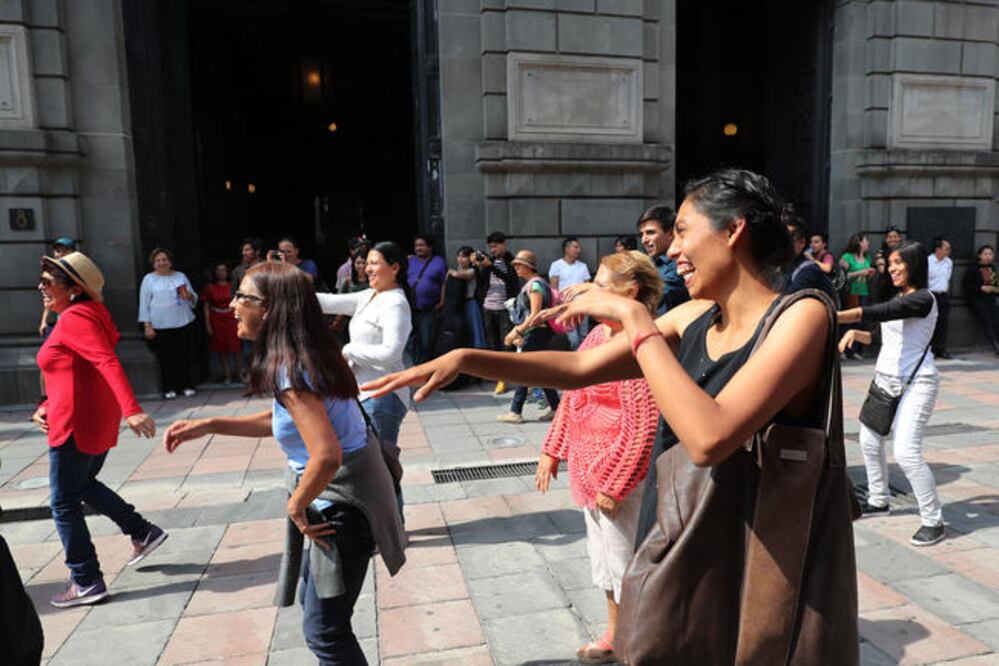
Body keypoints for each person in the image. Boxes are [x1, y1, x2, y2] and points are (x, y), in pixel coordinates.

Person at [366, 169, 858, 663]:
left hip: (761, 541)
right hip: (686, 525)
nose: (671, 251)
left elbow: (711, 437)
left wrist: (635, 316)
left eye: (683, 230)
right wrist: (469, 358)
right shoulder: (693, 317)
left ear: (733, 231)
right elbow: (580, 367)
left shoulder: (802, 315)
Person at [162, 261, 405, 664]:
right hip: (346, 503)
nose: (234, 305)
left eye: (244, 297)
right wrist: (211, 424)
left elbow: (326, 453)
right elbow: (292, 424)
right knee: (323, 624)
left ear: (271, 309)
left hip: (341, 511)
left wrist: (295, 505)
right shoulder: (307, 353)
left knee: (326, 633)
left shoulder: (290, 368)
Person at [535, 251, 661, 664]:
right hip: (590, 471)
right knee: (605, 566)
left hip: (619, 478)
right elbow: (572, 397)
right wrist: (552, 449)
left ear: (632, 292)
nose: (592, 295)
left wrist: (616, 483)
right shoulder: (596, 337)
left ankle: (642, 644)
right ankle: (614, 633)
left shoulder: (637, 343)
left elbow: (644, 424)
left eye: (602, 287)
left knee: (628, 568)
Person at [33, 251, 165, 608]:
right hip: (85, 418)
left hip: (75, 424)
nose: (40, 287)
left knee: (63, 503)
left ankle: (86, 579)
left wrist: (133, 409)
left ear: (73, 288)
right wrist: (45, 405)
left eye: (48, 282)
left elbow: (106, 362)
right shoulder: (88, 313)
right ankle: (141, 531)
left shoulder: (76, 317)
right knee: (84, 486)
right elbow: (78, 369)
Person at [838, 241, 944, 546]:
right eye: (891, 263)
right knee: (870, 442)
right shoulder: (901, 296)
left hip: (917, 383)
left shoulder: (924, 299)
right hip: (885, 380)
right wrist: (859, 334)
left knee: (907, 453)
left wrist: (833, 315)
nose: (892, 268)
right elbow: (890, 334)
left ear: (914, 265)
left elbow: (883, 312)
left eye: (899, 263)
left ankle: (933, 520)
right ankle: (879, 498)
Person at [316, 241, 413, 515]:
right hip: (362, 393)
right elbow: (325, 301)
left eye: (374, 262)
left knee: (381, 467)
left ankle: (394, 528)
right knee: (374, 467)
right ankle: (385, 527)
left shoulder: (396, 303)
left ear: (394, 268)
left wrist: (349, 350)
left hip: (384, 395)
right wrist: (287, 284)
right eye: (366, 262)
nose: (367, 268)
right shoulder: (369, 295)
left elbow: (390, 353)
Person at [497, 250, 560, 424]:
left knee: (523, 370)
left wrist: (517, 331)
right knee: (540, 372)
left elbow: (535, 315)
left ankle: (515, 411)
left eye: (518, 264)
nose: (516, 267)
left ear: (527, 266)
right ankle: (556, 407)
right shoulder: (535, 283)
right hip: (538, 332)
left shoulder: (535, 285)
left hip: (537, 332)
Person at [139, 247, 198, 399]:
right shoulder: (148, 279)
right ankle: (169, 388)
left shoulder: (180, 276)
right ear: (153, 264)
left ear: (170, 262)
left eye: (164, 259)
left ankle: (187, 385)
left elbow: (193, 297)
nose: (162, 263)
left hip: (182, 321)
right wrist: (147, 325)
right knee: (166, 357)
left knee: (184, 355)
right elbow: (144, 303)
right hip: (160, 324)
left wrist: (190, 296)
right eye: (158, 260)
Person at [473, 231, 520, 394]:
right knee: (492, 343)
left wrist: (490, 266)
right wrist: (477, 267)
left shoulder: (511, 261)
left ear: (503, 244)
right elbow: (480, 283)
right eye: (490, 247)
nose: (492, 250)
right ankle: (497, 375)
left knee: (506, 343)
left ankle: (504, 378)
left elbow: (511, 280)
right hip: (488, 307)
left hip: (505, 308)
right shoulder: (489, 261)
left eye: (495, 246)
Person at [637, 204, 690, 315]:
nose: (644, 240)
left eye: (650, 233)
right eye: (641, 234)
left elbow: (656, 291)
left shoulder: (681, 263)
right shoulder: (650, 262)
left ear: (671, 234)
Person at [407, 234, 447, 364]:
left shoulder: (439, 262)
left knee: (427, 341)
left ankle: (426, 367)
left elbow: (444, 283)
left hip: (428, 310)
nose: (418, 248)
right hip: (410, 308)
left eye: (422, 245)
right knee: (410, 340)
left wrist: (442, 301)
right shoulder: (409, 261)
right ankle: (417, 365)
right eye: (416, 245)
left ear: (430, 247)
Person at [549, 237, 592, 349]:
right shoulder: (556, 265)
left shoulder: (583, 266)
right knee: (573, 339)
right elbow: (554, 288)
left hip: (583, 306)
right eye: (575, 247)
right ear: (567, 249)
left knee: (584, 336)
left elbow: (588, 285)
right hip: (566, 307)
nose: (578, 250)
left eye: (579, 247)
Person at [203, 261, 242, 384]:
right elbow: (206, 306)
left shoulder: (233, 286)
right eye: (218, 270)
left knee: (236, 347)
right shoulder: (210, 288)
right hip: (216, 318)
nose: (221, 273)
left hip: (232, 317)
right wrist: (208, 324)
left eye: (223, 270)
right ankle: (227, 376)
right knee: (222, 349)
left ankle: (240, 374)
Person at [839, 233, 877, 359]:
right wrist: (861, 272)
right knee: (848, 321)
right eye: (866, 241)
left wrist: (870, 274)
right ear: (859, 242)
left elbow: (867, 277)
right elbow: (843, 276)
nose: (868, 244)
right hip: (851, 293)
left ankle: (854, 350)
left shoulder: (867, 258)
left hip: (863, 292)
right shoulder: (847, 257)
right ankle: (842, 349)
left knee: (861, 322)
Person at [442, 246, 486, 350]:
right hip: (456, 305)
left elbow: (460, 275)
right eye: (458, 256)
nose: (460, 259)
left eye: (464, 257)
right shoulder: (456, 269)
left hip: (470, 303)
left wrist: (450, 272)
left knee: (474, 331)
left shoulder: (473, 270)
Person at [785, 218, 837, 302]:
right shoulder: (783, 266)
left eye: (816, 242)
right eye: (812, 242)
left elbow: (827, 268)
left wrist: (812, 259)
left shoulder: (811, 267)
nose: (813, 245)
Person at [963, 244, 999, 355]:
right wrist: (981, 288)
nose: (988, 256)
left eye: (990, 254)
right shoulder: (973, 268)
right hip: (977, 299)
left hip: (990, 298)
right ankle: (996, 346)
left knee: (997, 320)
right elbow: (966, 285)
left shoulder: (992, 268)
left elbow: (994, 284)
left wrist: (995, 287)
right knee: (987, 321)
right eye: (985, 254)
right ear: (979, 255)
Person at [927, 236, 954, 359]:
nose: (949, 251)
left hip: (943, 295)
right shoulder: (927, 261)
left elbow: (947, 278)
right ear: (938, 249)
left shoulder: (949, 262)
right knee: (930, 324)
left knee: (943, 324)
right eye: (946, 248)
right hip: (931, 295)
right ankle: (929, 350)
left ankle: (941, 349)